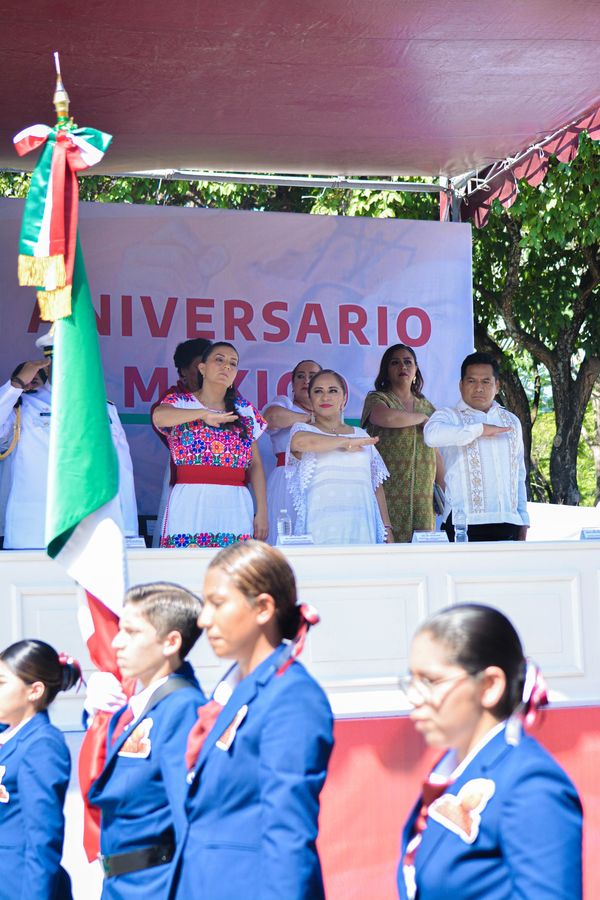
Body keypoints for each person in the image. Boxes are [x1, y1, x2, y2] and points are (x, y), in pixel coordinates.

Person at [170, 540, 334, 900]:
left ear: (263, 607)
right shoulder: (231, 689)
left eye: (217, 603)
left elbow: (287, 833)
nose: (203, 619)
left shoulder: (291, 696)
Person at [397, 603, 582, 900]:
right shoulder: (451, 772)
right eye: (412, 681)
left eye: (430, 681)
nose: (414, 698)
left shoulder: (531, 784)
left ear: (490, 685)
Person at [87, 582, 206, 898]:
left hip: (156, 885)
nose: (116, 643)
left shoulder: (182, 708)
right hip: (122, 884)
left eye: (132, 632)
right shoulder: (140, 708)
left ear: (171, 642)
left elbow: (187, 817)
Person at [0, 332, 138, 549]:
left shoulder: (105, 409)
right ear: (46, 365)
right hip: (35, 533)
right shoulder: (23, 405)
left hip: (92, 534)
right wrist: (14, 386)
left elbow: (122, 471)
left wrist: (128, 531)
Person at [152, 341, 268, 548]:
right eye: (219, 360)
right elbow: (159, 417)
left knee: (233, 571)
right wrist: (204, 414)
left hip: (235, 501)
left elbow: (256, 464)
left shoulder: (244, 410)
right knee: (187, 568)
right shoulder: (180, 402)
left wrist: (262, 511)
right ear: (202, 368)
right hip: (190, 498)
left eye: (233, 363)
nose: (227, 366)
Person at [0, 639, 82, 900]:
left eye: (1, 683)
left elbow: (43, 838)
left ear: (34, 691)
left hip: (20, 887)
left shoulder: (42, 745)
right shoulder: (10, 737)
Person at [423, 351, 529, 542]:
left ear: (497, 386)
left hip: (508, 520)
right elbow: (431, 436)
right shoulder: (448, 416)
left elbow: (519, 474)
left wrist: (523, 519)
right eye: (471, 381)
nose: (478, 388)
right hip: (463, 523)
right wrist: (479, 429)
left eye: (486, 381)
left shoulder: (511, 421)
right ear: (461, 385)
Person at [286, 369, 392, 544]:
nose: (325, 397)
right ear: (311, 400)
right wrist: (345, 442)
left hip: (361, 526)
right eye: (318, 391)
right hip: (320, 528)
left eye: (333, 391)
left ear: (344, 399)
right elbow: (303, 444)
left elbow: (376, 487)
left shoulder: (360, 434)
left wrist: (387, 529)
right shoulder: (302, 430)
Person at [361, 345, 444, 542]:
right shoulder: (378, 398)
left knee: (422, 558)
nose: (402, 366)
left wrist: (441, 490)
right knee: (388, 556)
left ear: (416, 369)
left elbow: (436, 452)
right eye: (395, 362)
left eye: (408, 362)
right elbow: (385, 418)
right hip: (387, 493)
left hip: (423, 497)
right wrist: (421, 419)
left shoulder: (428, 406)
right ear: (386, 371)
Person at [151, 339, 212, 547]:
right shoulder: (174, 399)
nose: (205, 372)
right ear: (183, 371)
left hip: (225, 483)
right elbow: (159, 419)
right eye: (198, 367)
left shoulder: (230, 398)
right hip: (187, 479)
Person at [262, 359, 322, 544]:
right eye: (300, 376)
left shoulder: (330, 413)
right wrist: (312, 418)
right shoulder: (285, 403)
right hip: (287, 478)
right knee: (286, 538)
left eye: (312, 377)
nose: (306, 381)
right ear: (293, 385)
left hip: (319, 479)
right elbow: (270, 418)